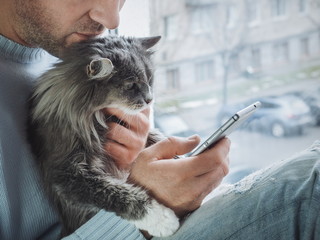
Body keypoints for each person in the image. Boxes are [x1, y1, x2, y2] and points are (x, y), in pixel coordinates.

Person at [0, 1, 318, 240]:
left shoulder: (71, 38)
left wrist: (135, 149)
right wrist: (141, 208)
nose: (111, 19)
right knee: (308, 185)